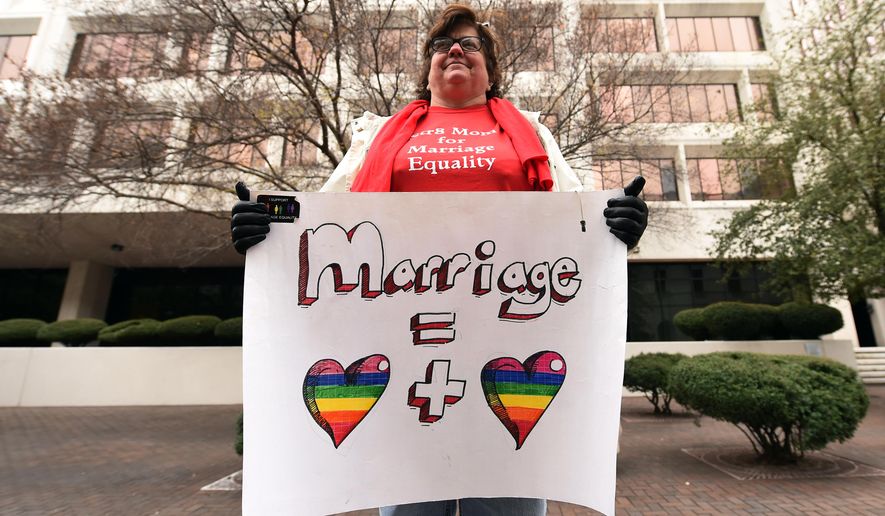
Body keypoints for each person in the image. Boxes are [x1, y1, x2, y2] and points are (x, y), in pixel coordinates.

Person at [231, 4, 647, 515]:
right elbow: (323, 218)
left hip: (508, 355)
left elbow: (578, 217)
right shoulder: (378, 137)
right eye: (442, 45)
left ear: (490, 71)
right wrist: (265, 224)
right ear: (426, 67)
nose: (455, 50)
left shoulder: (530, 136)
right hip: (403, 352)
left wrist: (619, 226)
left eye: (470, 45)